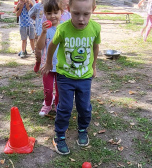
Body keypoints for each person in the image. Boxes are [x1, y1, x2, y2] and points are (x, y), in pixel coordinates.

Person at [40, 0, 100, 155]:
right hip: (65, 76)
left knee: (84, 107)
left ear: (93, 10)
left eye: (86, 14)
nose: (81, 19)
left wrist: (93, 67)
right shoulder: (63, 29)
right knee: (65, 107)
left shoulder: (95, 28)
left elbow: (95, 46)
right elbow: (52, 44)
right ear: (68, 9)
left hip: (85, 77)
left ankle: (82, 129)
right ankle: (59, 136)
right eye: (76, 14)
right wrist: (47, 62)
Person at [36, 0, 61, 116]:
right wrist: (43, 33)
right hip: (47, 65)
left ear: (61, 12)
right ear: (45, 14)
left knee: (60, 89)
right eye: (49, 13)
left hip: (61, 66)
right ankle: (47, 104)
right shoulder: (44, 29)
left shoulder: (63, 29)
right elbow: (39, 47)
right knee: (48, 89)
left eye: (56, 12)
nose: (53, 16)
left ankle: (58, 105)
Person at [29, 0, 45, 72]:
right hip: (39, 31)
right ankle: (38, 62)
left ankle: (46, 64)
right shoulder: (37, 6)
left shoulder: (54, 5)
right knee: (38, 50)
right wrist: (37, 20)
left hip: (50, 31)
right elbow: (30, 14)